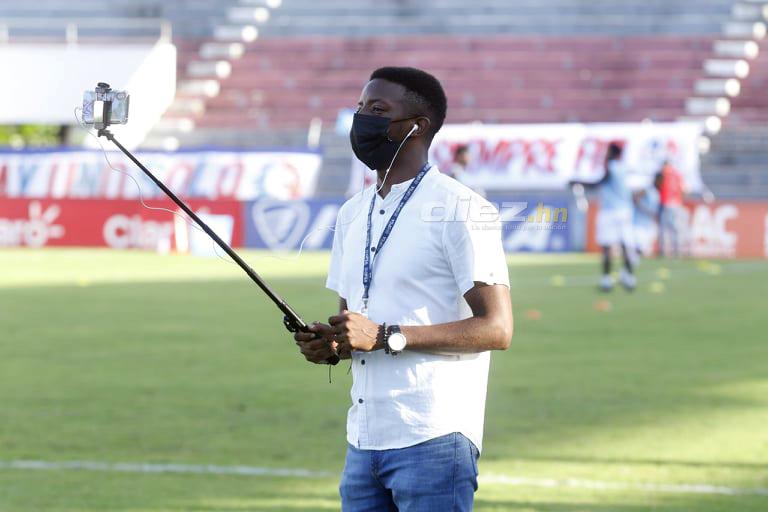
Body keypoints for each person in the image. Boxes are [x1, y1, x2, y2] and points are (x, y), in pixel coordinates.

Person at [293, 66, 513, 511]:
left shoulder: (461, 207)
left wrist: (387, 335)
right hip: (364, 440)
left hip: (433, 435)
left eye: (377, 110)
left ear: (417, 126)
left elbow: (497, 328)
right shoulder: (352, 213)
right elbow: (354, 326)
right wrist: (331, 344)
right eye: (359, 108)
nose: (362, 120)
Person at [571, 142, 636, 292]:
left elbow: (598, 183)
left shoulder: (611, 166)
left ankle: (607, 279)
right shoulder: (624, 168)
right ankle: (629, 277)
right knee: (625, 244)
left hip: (610, 211)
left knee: (607, 246)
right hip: (625, 210)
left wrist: (578, 181)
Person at [657, 160, 687, 258]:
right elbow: (684, 189)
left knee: (664, 228)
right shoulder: (678, 175)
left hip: (666, 203)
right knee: (674, 228)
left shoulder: (663, 174)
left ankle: (663, 251)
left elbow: (658, 186)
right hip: (676, 203)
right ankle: (676, 250)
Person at [633, 174, 661, 258]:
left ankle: (630, 266)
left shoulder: (657, 192)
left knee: (642, 247)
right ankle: (628, 267)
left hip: (648, 223)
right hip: (639, 222)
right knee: (638, 247)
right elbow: (635, 199)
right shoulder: (647, 190)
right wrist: (644, 210)